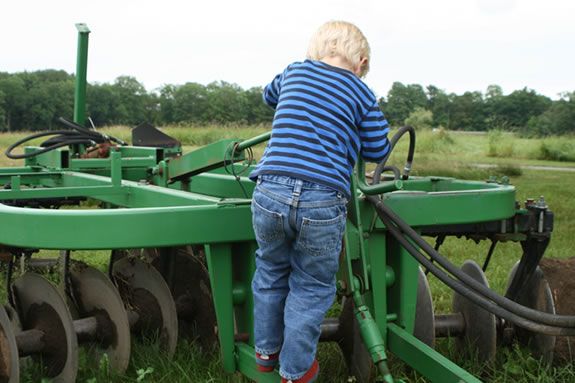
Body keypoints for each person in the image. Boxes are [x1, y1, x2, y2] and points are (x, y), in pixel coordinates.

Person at [249, 20, 391, 383]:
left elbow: (269, 95)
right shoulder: (361, 92)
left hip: (271, 191)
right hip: (322, 199)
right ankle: (296, 372)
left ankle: (265, 352)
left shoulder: (295, 71)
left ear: (316, 51)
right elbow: (378, 149)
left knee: (269, 271)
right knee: (311, 286)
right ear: (360, 62)